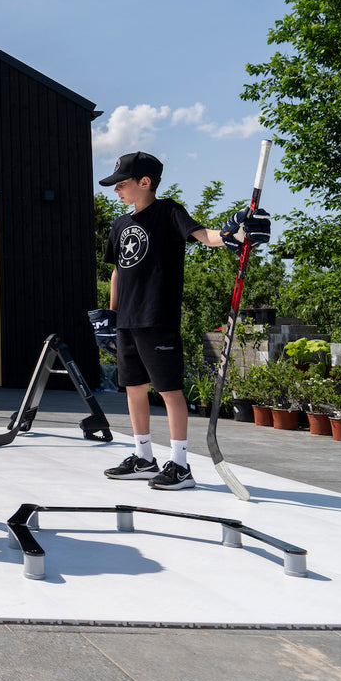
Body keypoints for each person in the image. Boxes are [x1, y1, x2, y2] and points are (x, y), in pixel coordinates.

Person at [91, 151, 270, 490]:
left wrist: (234, 233)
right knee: (134, 388)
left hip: (157, 317)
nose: (116, 190)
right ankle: (144, 458)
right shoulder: (119, 224)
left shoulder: (168, 212)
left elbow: (206, 236)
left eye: (122, 184)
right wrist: (112, 315)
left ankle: (180, 465)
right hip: (127, 321)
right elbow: (117, 271)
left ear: (145, 182)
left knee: (170, 390)